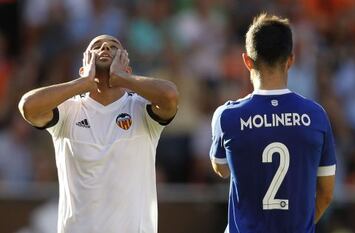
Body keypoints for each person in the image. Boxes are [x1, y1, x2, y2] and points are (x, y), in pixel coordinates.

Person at [18, 34, 179, 233]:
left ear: (126, 67)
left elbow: (170, 96)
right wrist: (84, 82)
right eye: (97, 46)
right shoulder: (68, 111)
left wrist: (124, 79)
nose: (104, 47)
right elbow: (28, 106)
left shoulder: (141, 108)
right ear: (83, 65)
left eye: (113, 46)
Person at [209, 13, 336, 233]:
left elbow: (221, 169)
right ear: (291, 60)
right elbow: (325, 194)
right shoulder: (316, 116)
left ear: (247, 61)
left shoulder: (227, 116)